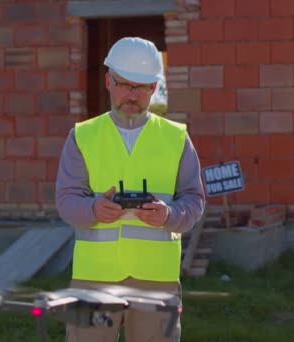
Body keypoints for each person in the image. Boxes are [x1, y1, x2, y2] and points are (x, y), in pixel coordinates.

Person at [55, 36, 205, 342]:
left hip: (157, 279)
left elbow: (194, 201)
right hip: (94, 277)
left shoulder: (176, 138)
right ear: (109, 82)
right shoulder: (82, 137)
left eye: (140, 86)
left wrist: (169, 215)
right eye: (124, 84)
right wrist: (93, 209)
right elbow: (66, 199)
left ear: (153, 87)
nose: (131, 94)